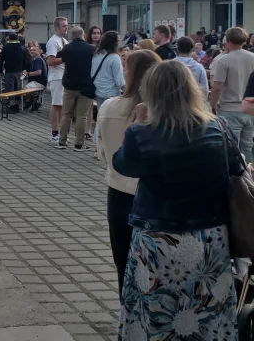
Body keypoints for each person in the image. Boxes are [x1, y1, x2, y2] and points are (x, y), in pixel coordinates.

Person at [112, 59, 243, 339]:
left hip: (157, 240)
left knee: (155, 312)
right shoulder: (218, 128)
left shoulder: (142, 133)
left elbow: (122, 165)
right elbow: (237, 170)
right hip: (210, 236)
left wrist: (137, 121)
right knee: (208, 311)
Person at [96, 49, 160, 295]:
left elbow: (101, 150)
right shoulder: (163, 112)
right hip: (155, 195)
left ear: (129, 73)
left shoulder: (109, 107)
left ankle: (127, 315)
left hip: (119, 191)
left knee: (123, 260)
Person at [210, 26, 254, 163]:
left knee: (232, 147)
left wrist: (212, 103)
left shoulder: (224, 60)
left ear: (228, 40)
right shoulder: (252, 57)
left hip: (230, 108)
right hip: (250, 108)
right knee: (248, 145)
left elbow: (217, 87)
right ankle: (251, 175)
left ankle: (238, 178)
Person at [55, 26, 95, 152]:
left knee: (66, 114)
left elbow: (59, 59)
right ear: (83, 34)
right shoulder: (91, 49)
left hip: (69, 85)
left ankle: (62, 142)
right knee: (82, 116)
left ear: (72, 36)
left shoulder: (67, 48)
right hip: (86, 86)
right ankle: (79, 144)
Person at [91, 31, 125, 119]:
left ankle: (97, 133)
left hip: (98, 91)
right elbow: (119, 80)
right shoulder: (115, 58)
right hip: (112, 94)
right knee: (111, 119)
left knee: (101, 118)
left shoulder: (96, 55)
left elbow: (92, 73)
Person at [46, 17, 69, 142]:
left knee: (61, 105)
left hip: (64, 75)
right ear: (57, 27)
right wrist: (66, 58)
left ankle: (60, 131)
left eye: (66, 25)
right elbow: (50, 61)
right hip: (56, 77)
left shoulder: (64, 40)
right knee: (56, 105)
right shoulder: (53, 42)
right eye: (63, 26)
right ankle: (54, 132)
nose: (66, 28)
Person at [0, 32, 28, 105]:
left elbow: (1, 60)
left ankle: (11, 104)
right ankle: (18, 103)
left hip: (9, 71)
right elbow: (26, 59)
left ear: (9, 38)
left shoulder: (6, 47)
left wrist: (0, 71)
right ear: (17, 38)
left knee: (10, 89)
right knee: (18, 88)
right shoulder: (22, 47)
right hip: (19, 71)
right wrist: (25, 69)